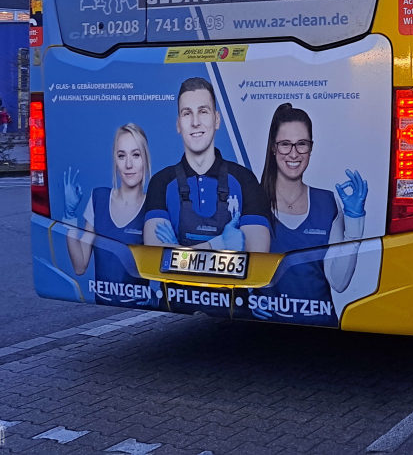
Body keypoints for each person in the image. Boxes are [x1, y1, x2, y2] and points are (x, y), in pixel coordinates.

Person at [252, 103, 366, 323]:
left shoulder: (327, 202)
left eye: (302, 144)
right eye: (285, 144)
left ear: (311, 148)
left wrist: (354, 223)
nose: (294, 153)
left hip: (321, 329)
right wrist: (244, 299)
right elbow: (236, 267)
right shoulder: (253, 202)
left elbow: (339, 281)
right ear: (273, 148)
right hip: (267, 334)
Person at [144, 77, 271, 252]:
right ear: (178, 124)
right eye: (187, 113)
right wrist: (219, 245)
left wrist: (175, 251)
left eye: (203, 111)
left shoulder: (244, 180)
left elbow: (257, 256)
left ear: (216, 119)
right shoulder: (161, 182)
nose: (195, 122)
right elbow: (154, 257)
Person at [59, 124, 159, 307]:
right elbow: (80, 266)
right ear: (116, 160)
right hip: (103, 307)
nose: (129, 164)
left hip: (139, 313)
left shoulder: (154, 207)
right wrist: (69, 215)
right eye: (122, 156)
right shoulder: (99, 198)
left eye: (136, 155)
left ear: (145, 159)